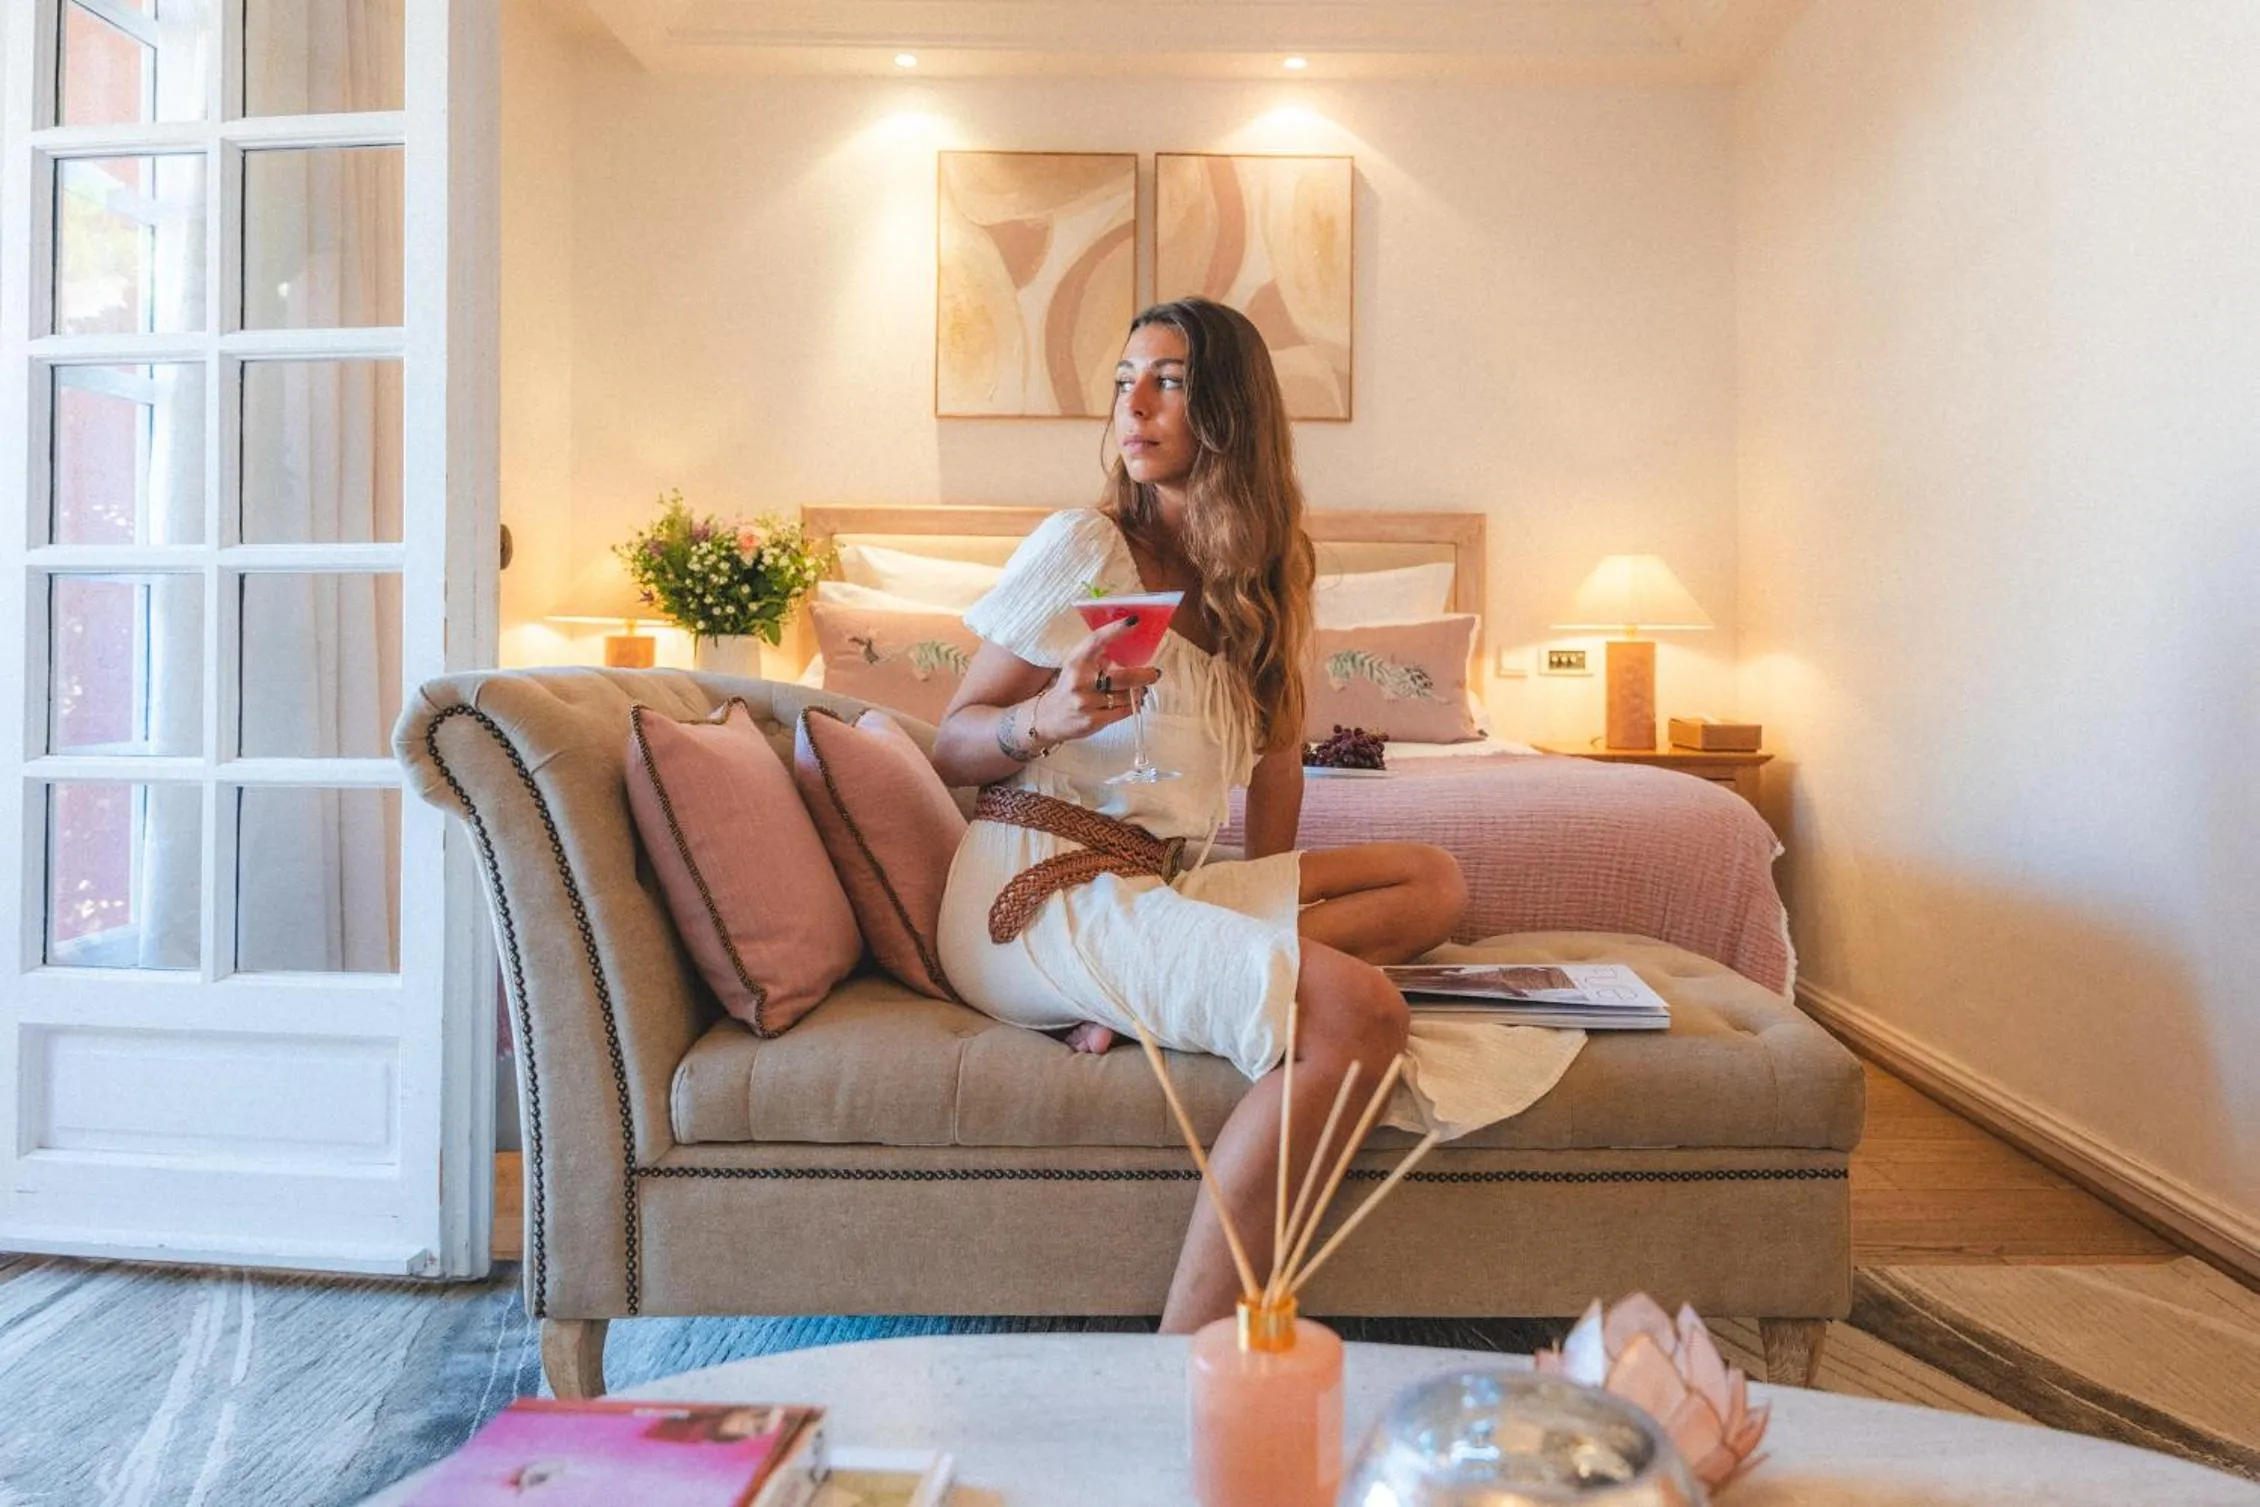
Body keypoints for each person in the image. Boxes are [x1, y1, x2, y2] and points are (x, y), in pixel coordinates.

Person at [931, 297, 1468, 1333]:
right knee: (1361, 1011)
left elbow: (1276, 773)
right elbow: (952, 739)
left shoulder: (1259, 583)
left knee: (1432, 880)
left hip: (1147, 880)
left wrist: (1254, 908)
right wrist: (1044, 715)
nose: (1133, 404)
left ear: (1227, 411)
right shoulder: (1088, 546)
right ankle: (1183, 1357)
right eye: (1126, 379)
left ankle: (1151, 998)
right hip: (1033, 885)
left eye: (1168, 381)